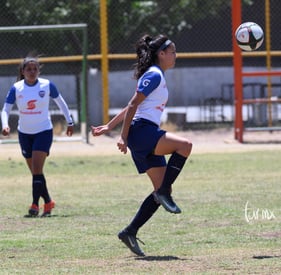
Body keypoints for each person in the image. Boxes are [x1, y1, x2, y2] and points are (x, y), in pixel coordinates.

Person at [91, 34, 192, 257]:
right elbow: (133, 104)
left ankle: (130, 231)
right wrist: (123, 136)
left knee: (160, 190)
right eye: (172, 51)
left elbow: (131, 105)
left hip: (141, 134)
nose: (175, 55)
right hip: (143, 132)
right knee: (185, 146)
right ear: (161, 54)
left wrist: (109, 126)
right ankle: (164, 192)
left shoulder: (156, 75)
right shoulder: (155, 74)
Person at [1, 56, 74, 217]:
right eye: (29, 69)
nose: (32, 72)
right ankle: (48, 201)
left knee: (36, 168)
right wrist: (5, 124)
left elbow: (61, 103)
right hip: (24, 133)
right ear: (23, 71)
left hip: (43, 132)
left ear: (39, 70)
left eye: (35, 69)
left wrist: (70, 122)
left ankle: (35, 205)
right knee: (36, 172)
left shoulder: (47, 85)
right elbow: (5, 109)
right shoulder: (16, 88)